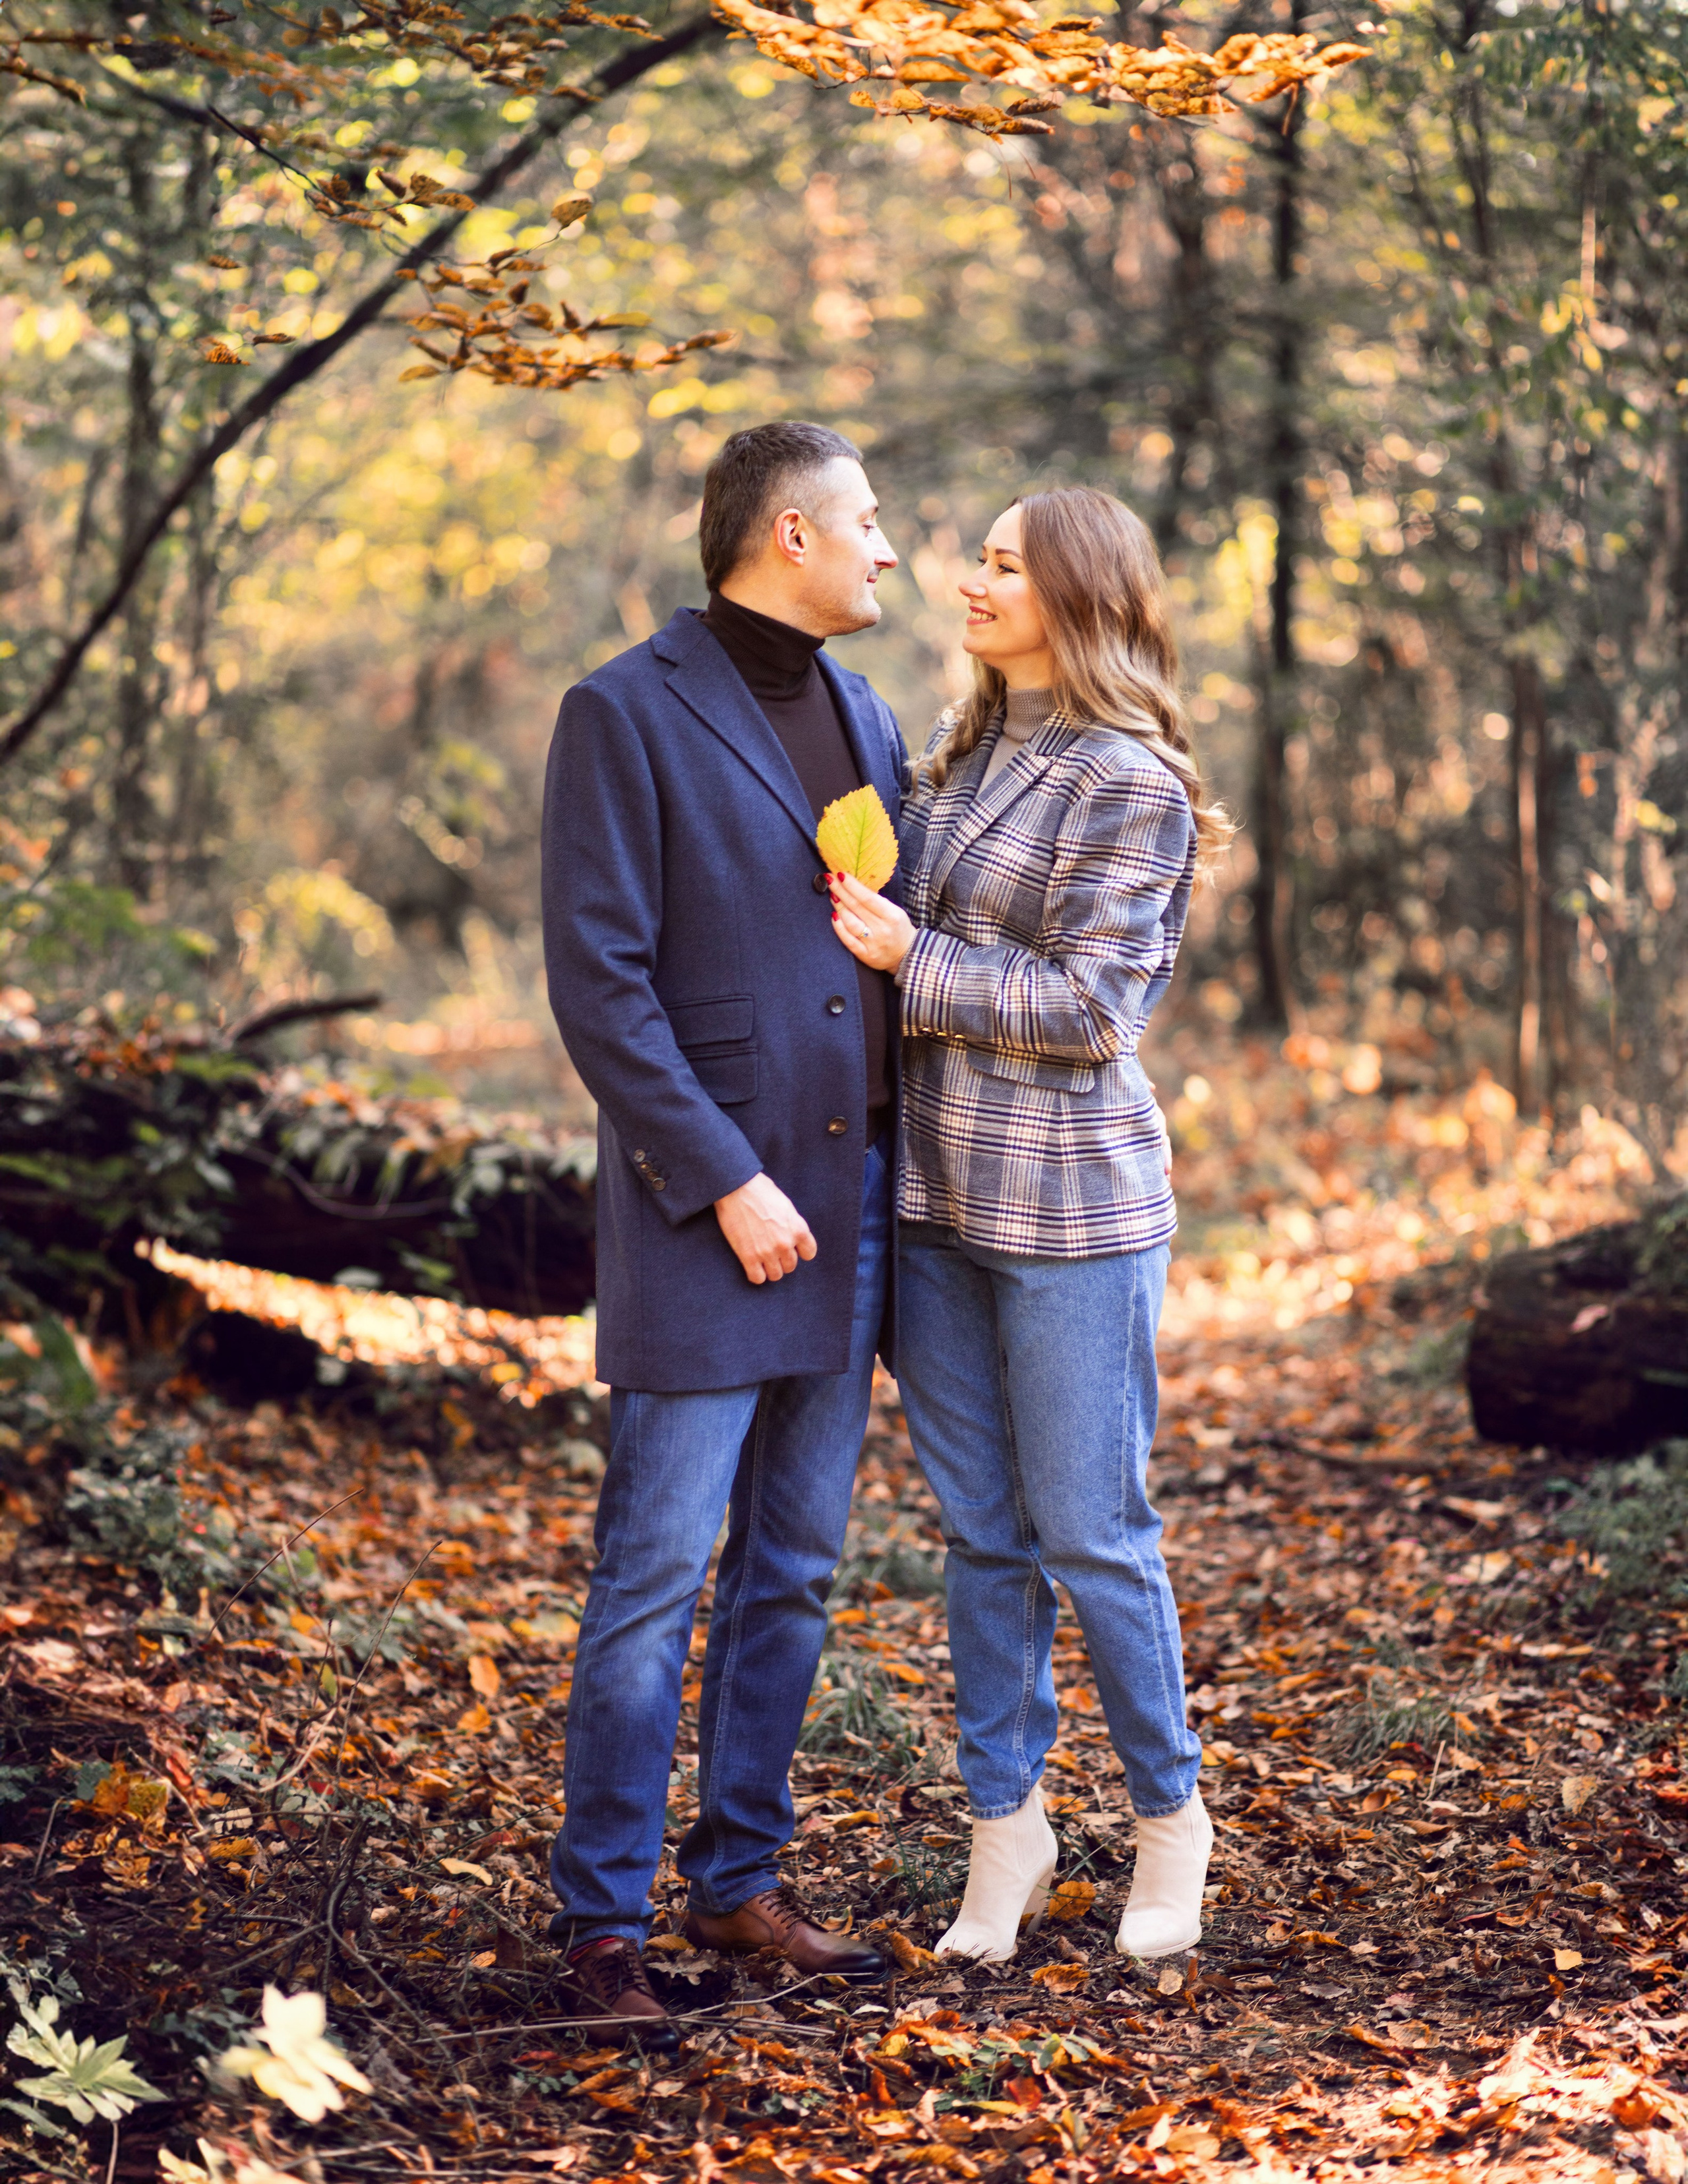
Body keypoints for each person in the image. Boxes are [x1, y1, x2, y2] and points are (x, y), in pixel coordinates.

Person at [541, 422, 906, 2051]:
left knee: (799, 1569)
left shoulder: (870, 714)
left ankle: (737, 1875)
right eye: (869, 523)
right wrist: (722, 1178)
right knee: (650, 1577)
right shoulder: (621, 711)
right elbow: (601, 983)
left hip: (852, 1214)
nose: (890, 550)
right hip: (710, 1216)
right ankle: (602, 1922)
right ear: (785, 533)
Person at [829, 484, 1229, 1964]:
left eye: (1003, 564)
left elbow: (1092, 1005)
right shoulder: (953, 755)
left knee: (1092, 1530)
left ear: (1075, 595)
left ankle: (1167, 1819)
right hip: (932, 1204)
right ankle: (1007, 1830)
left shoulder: (1127, 779)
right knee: (981, 1536)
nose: (971, 581)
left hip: (1070, 1211)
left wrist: (912, 962)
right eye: (979, 559)